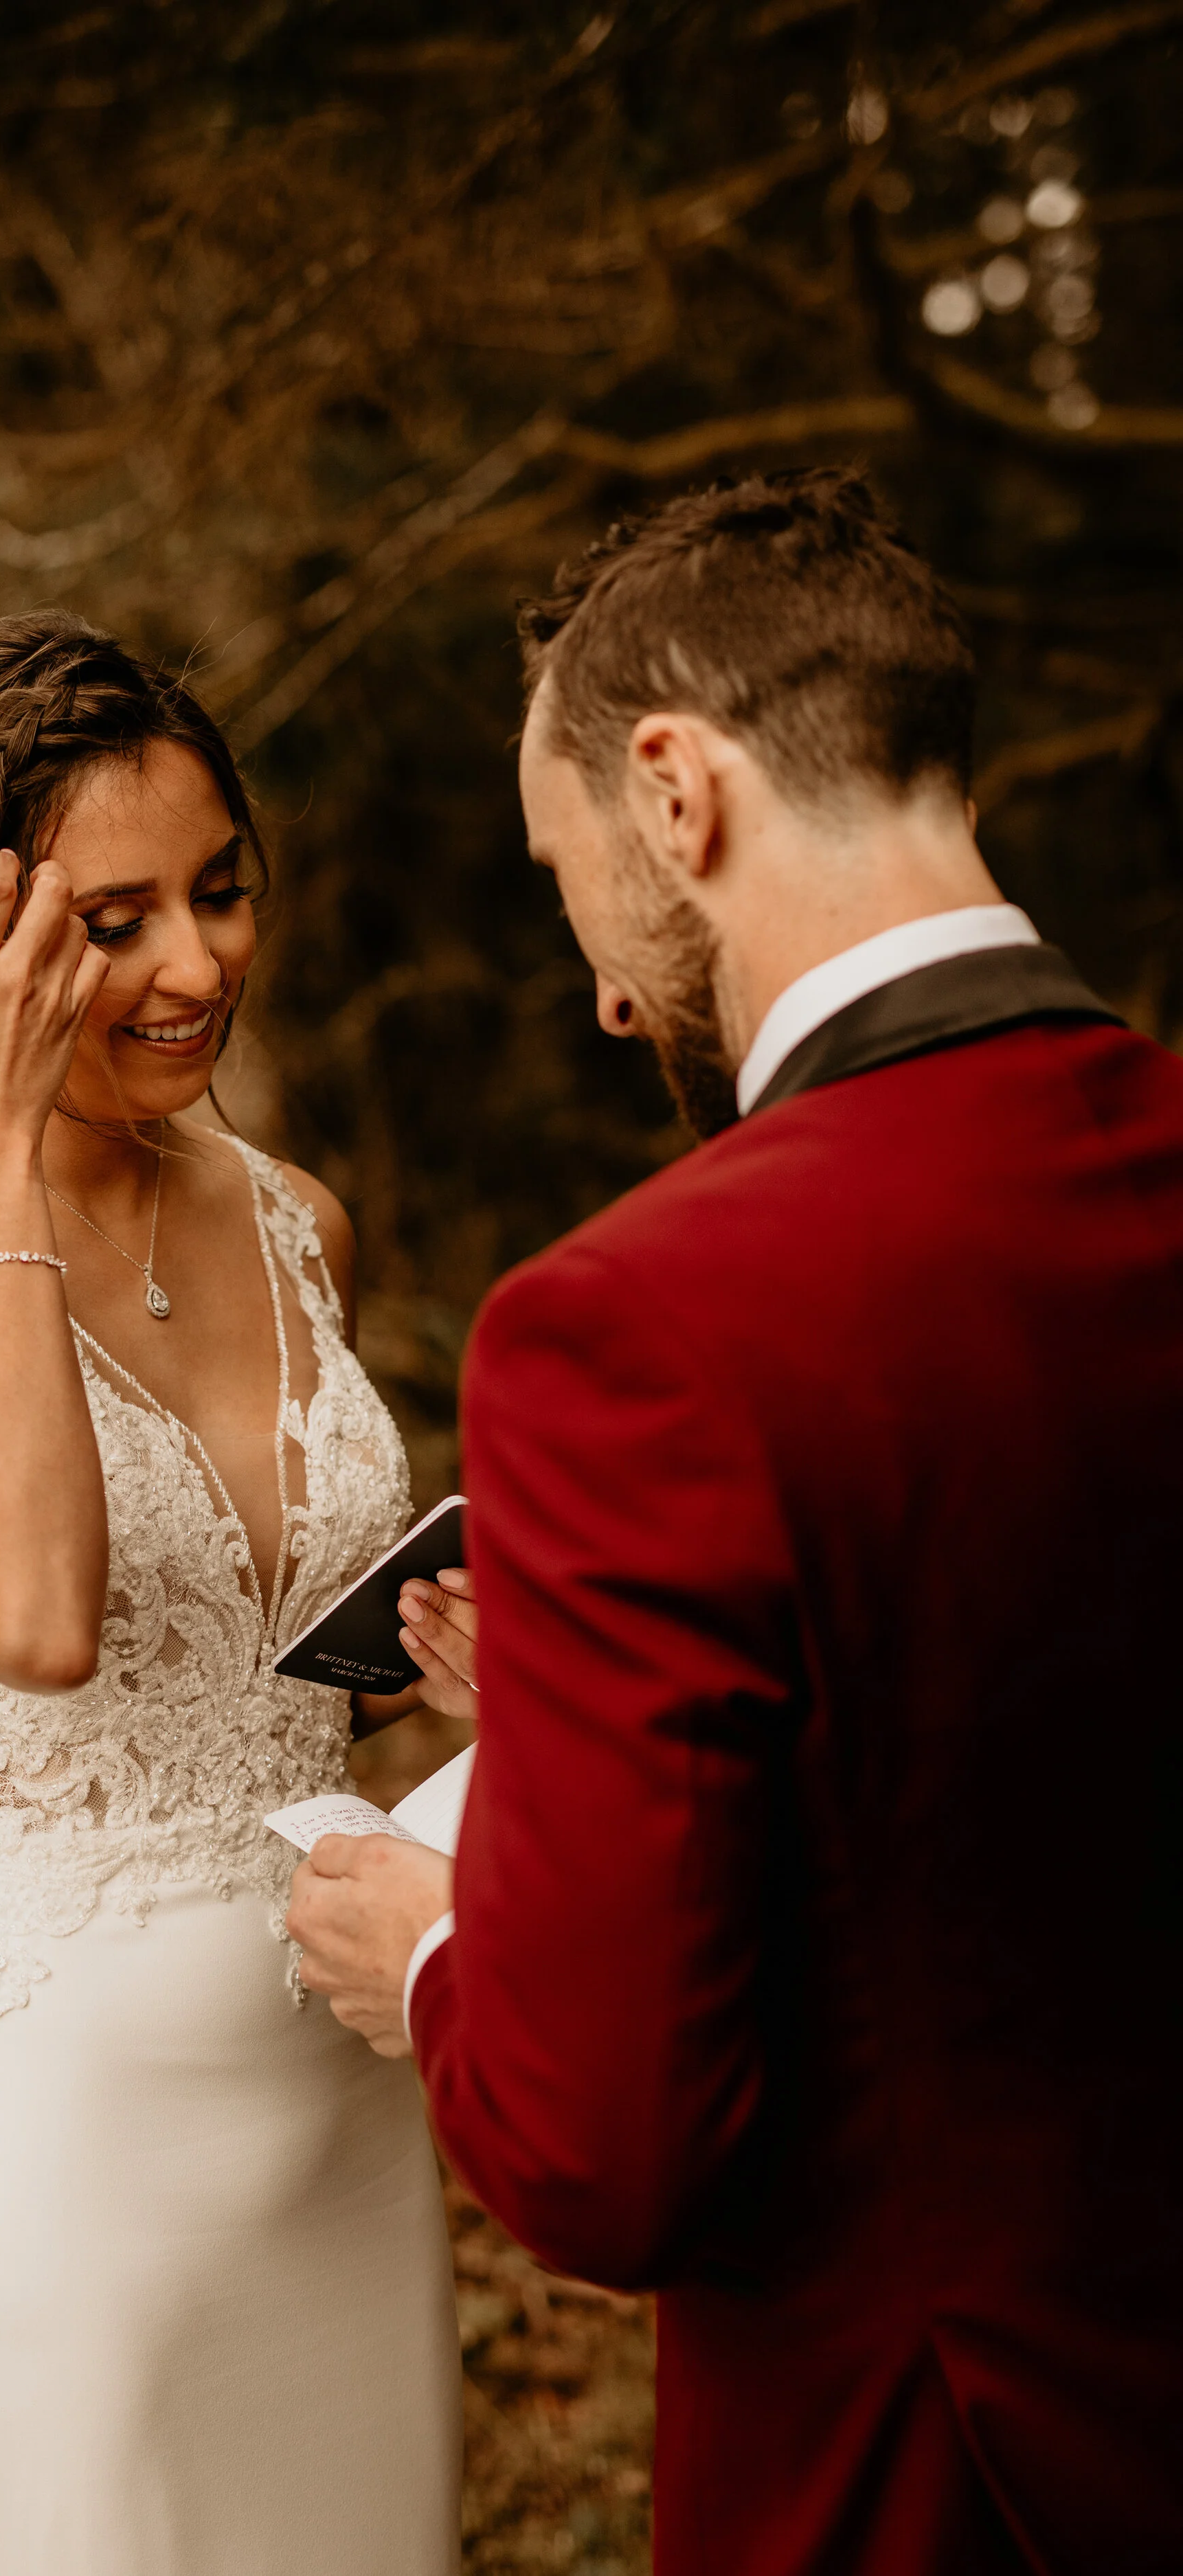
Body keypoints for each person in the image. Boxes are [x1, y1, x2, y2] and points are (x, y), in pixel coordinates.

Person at [287, 469, 1183, 2576]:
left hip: (929, 2476)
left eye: (567, 870)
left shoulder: (634, 1327)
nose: (604, 988)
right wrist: (598, 1718)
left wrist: (433, 1950)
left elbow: (609, 2158)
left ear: (673, 792)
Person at [0, 612, 463, 2575]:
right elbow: (36, 1613)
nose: (196, 965)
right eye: (113, 920)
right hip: (40, 2113)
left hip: (326, 2082)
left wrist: (452, 1667)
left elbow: (281, 1673)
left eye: (221, 891)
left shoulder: (297, 1217)